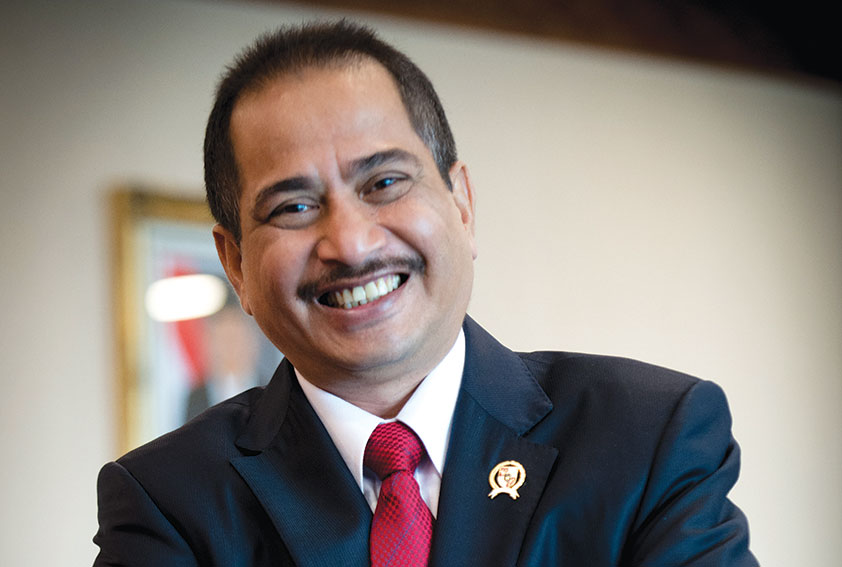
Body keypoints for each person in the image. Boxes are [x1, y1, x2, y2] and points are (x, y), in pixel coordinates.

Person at [93, 21, 758, 566]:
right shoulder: (167, 502)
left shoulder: (649, 439)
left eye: (383, 183)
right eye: (293, 207)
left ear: (461, 204)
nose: (351, 244)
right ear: (235, 264)